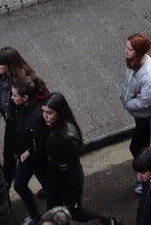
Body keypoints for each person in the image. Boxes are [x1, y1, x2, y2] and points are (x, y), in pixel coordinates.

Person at [40, 93, 117, 224]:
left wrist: (73, 195)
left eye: (49, 113)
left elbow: (73, 168)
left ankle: (108, 222)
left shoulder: (68, 136)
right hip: (55, 175)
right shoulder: (54, 126)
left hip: (66, 180)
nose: (45, 116)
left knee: (75, 212)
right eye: (43, 112)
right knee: (52, 210)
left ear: (60, 112)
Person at [0, 47, 47, 185]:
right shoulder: (3, 78)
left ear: (9, 65)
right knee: (10, 156)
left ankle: (48, 186)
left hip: (22, 122)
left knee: (29, 159)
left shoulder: (22, 83)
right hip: (12, 120)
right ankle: (6, 184)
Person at [5, 78, 48, 223]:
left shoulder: (37, 116)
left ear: (25, 98)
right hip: (26, 156)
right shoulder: (20, 108)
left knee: (50, 189)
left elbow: (42, 143)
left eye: (14, 95)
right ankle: (35, 216)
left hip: (37, 160)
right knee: (19, 185)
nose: (11, 98)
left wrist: (29, 151)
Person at [122, 33, 151, 165]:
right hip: (138, 113)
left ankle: (147, 169)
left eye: (130, 49)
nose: (125, 51)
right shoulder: (133, 61)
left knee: (137, 147)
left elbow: (146, 102)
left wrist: (128, 103)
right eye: (126, 47)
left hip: (145, 116)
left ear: (138, 52)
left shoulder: (148, 75)